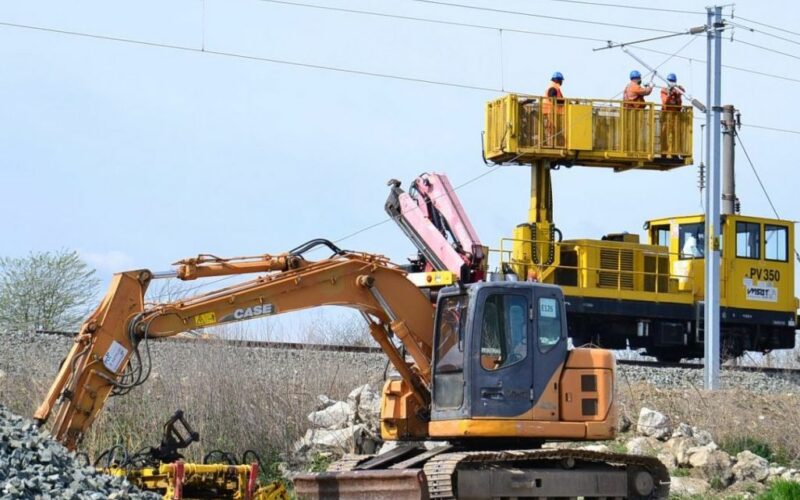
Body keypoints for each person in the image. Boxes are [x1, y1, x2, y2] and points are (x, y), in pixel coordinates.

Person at [622, 70, 653, 152]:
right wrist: (650, 87)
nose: (640, 79)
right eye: (639, 78)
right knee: (635, 131)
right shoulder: (634, 86)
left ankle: (630, 147)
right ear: (637, 78)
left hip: (629, 112)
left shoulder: (628, 86)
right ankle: (633, 148)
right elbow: (646, 92)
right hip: (635, 113)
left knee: (631, 130)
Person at [660, 73, 685, 154]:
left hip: (676, 116)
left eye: (673, 81)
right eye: (670, 81)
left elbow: (683, 91)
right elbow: (665, 102)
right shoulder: (664, 90)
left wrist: (677, 89)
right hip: (666, 116)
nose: (672, 82)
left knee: (676, 133)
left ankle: (675, 151)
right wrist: (669, 93)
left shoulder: (677, 90)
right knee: (665, 133)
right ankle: (664, 150)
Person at [542, 71, 565, 147]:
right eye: (561, 80)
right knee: (550, 130)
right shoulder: (553, 88)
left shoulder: (555, 88)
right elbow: (553, 99)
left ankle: (552, 145)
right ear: (557, 80)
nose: (562, 82)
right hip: (549, 113)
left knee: (552, 131)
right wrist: (563, 102)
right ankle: (551, 146)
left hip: (551, 113)